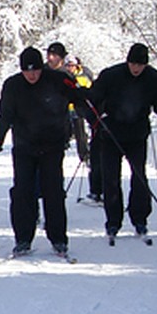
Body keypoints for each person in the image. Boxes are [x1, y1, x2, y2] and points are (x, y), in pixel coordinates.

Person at [0, 47, 83, 256]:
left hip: (52, 145)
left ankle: (58, 238)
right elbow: (4, 115)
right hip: (25, 146)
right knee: (23, 192)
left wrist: (92, 114)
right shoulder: (12, 86)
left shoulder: (57, 80)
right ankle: (23, 238)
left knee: (53, 191)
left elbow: (79, 97)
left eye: (36, 70)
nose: (32, 75)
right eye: (27, 71)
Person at [88, 43, 157, 240]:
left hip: (137, 134)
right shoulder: (111, 75)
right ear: (127, 61)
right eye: (133, 64)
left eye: (140, 65)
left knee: (139, 176)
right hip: (111, 133)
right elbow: (91, 100)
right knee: (110, 179)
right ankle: (113, 222)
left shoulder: (154, 79)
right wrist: (94, 120)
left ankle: (140, 219)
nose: (136, 69)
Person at [66, 55, 103, 203]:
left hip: (80, 111)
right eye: (68, 65)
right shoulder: (63, 77)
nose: (70, 67)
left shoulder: (84, 76)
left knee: (81, 134)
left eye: (72, 65)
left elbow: (90, 93)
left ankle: (84, 155)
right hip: (66, 110)